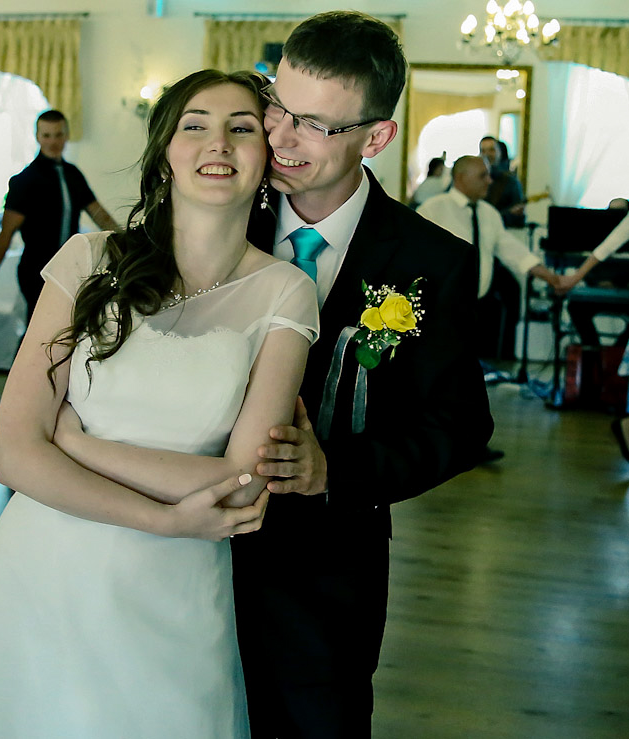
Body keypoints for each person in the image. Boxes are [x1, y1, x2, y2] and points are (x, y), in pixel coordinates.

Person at [0, 70, 318, 738]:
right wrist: (162, 516)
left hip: (175, 586)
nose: (217, 142)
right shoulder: (87, 259)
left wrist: (75, 443)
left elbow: (242, 482)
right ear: (164, 154)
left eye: (241, 127)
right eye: (194, 125)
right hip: (43, 570)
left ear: (266, 159)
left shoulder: (286, 290)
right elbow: (13, 454)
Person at [216, 12, 494, 736]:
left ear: (376, 138)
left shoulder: (432, 262)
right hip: (187, 551)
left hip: (325, 574)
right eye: (277, 107)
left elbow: (461, 426)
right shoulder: (215, 219)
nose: (280, 138)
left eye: (314, 125)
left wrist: (333, 471)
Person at [0, 110, 120, 318]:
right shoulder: (24, 181)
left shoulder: (73, 174)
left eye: (58, 135)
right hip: (36, 269)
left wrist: (127, 242)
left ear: (66, 136)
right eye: (47, 135)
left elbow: (100, 215)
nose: (53, 142)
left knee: (68, 324)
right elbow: (6, 235)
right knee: (41, 325)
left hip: (70, 267)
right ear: (38, 137)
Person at [418, 156, 560, 362]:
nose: (489, 181)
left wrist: (550, 277)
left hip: (477, 308)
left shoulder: (489, 214)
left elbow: (513, 252)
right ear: (461, 178)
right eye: (482, 176)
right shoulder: (433, 209)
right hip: (440, 311)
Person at [555, 197, 629, 346]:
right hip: (598, 291)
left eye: (620, 212)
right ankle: (593, 350)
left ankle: (617, 352)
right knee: (576, 307)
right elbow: (602, 252)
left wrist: (618, 283)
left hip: (624, 292)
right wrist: (577, 280)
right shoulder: (594, 235)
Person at [480, 136, 525, 228]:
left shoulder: (511, 183)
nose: (487, 154)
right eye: (483, 151)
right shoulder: (476, 179)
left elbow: (518, 218)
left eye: (491, 150)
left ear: (500, 152)